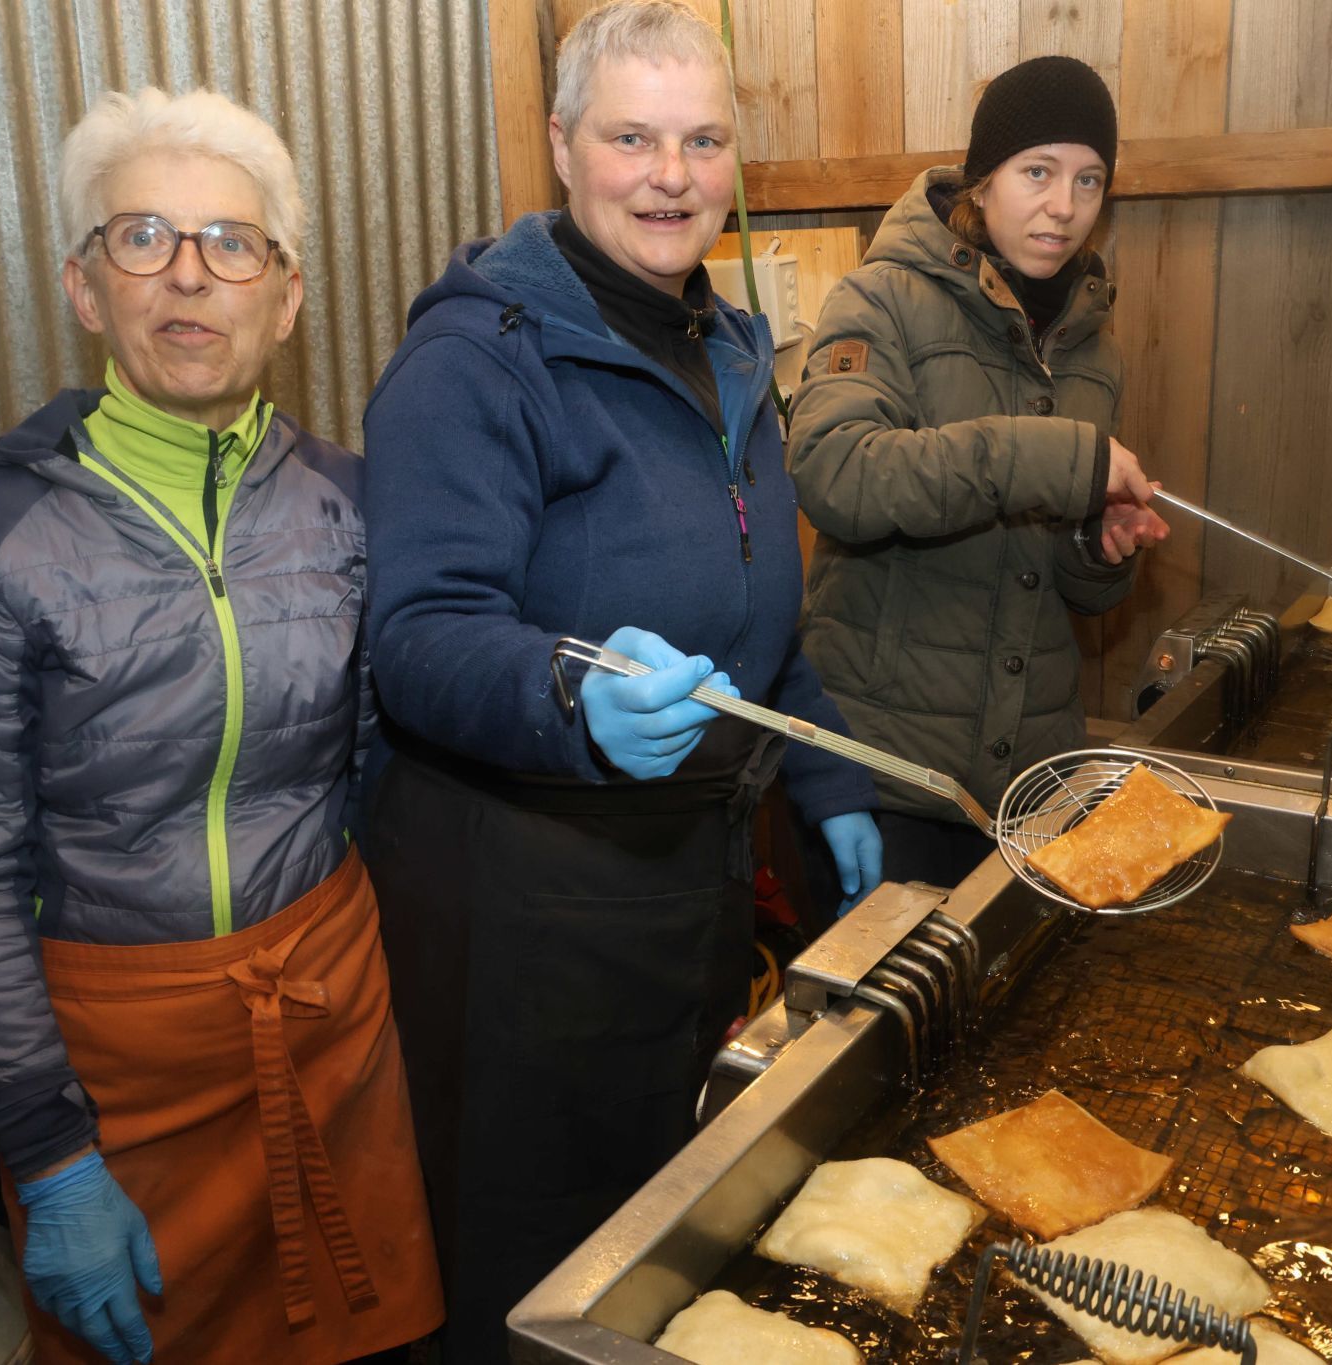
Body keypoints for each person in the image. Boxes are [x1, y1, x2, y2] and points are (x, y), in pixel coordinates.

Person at [357, 3, 882, 1358]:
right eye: (632, 136)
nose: (672, 173)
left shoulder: (723, 345)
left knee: (655, 1243)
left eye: (703, 139)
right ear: (561, 148)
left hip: (680, 888)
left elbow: (759, 623)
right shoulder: (475, 362)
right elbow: (417, 633)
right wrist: (571, 687)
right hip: (523, 917)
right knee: (538, 1275)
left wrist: (821, 771)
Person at [0, 88, 440, 1365]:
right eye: (142, 237)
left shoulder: (350, 506)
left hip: (326, 1004)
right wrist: (46, 1150)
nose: (188, 275)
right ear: (87, 288)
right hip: (114, 1065)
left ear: (285, 296)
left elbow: (379, 758)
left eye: (230, 243)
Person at [788, 55, 1170, 889]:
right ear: (983, 179)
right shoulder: (881, 298)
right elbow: (836, 472)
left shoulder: (1092, 348)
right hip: (888, 780)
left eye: (1089, 180)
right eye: (1038, 172)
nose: (1063, 207)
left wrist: (1099, 547)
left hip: (1033, 790)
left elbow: (1068, 585)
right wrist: (1055, 460)